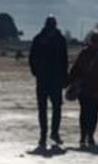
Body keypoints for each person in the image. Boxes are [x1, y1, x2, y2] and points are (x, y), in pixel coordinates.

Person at [66, 29, 98, 149]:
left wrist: (69, 82)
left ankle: (85, 136)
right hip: (95, 89)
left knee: (86, 113)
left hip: (87, 88)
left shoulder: (86, 53)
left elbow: (75, 69)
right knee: (92, 113)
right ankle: (89, 137)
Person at [28, 15, 69, 151]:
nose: (51, 27)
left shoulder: (60, 40)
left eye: (52, 25)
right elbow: (32, 58)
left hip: (55, 79)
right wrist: (36, 72)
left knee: (56, 108)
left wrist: (64, 77)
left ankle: (54, 133)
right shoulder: (39, 39)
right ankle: (43, 134)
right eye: (50, 25)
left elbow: (64, 60)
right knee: (43, 109)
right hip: (43, 79)